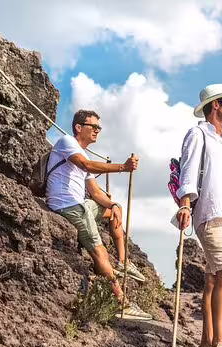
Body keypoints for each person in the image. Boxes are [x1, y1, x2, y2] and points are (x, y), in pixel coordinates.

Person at [47, 109, 150, 320]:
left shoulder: (83, 153)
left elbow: (94, 192)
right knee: (100, 252)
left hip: (80, 203)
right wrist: (123, 167)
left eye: (98, 128)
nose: (97, 131)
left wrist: (114, 204)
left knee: (112, 211)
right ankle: (122, 303)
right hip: (68, 205)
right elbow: (85, 165)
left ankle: (122, 262)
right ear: (78, 127)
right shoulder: (67, 142)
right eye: (93, 126)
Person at [176, 84, 222, 347]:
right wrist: (185, 204)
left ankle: (206, 343)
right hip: (210, 214)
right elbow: (188, 170)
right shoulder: (197, 133)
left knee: (215, 279)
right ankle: (219, 341)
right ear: (215, 105)